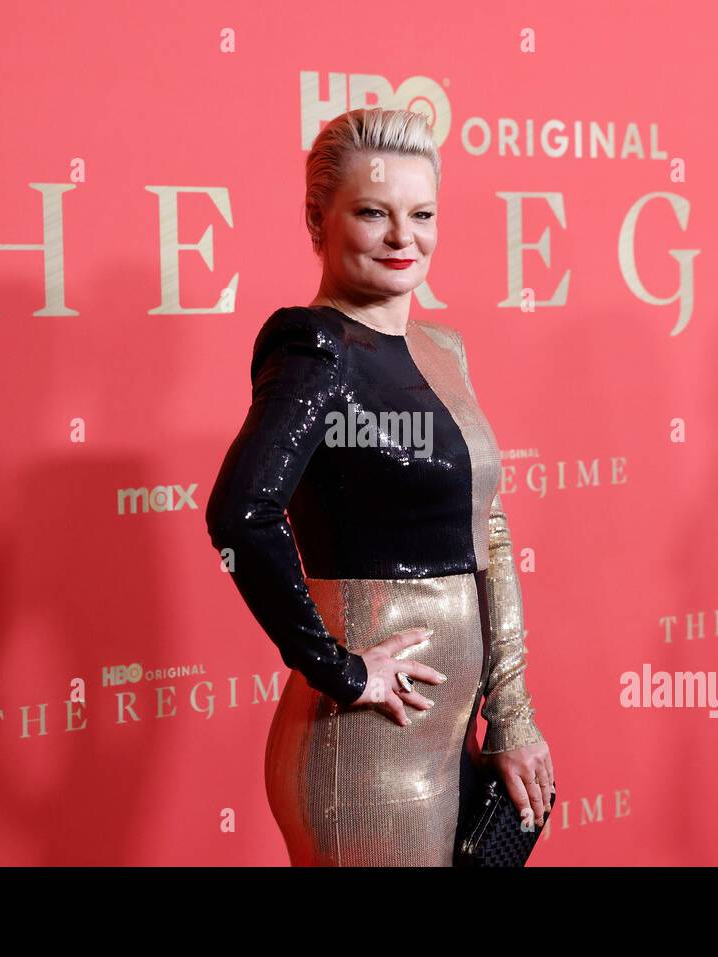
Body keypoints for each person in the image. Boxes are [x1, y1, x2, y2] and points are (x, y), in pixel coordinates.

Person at [205, 107, 554, 866]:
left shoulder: (443, 348)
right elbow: (241, 514)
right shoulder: (314, 349)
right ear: (316, 219)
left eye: (422, 213)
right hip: (365, 747)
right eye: (373, 212)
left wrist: (513, 711)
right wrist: (342, 669)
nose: (404, 237)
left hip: (452, 732)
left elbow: (487, 525)